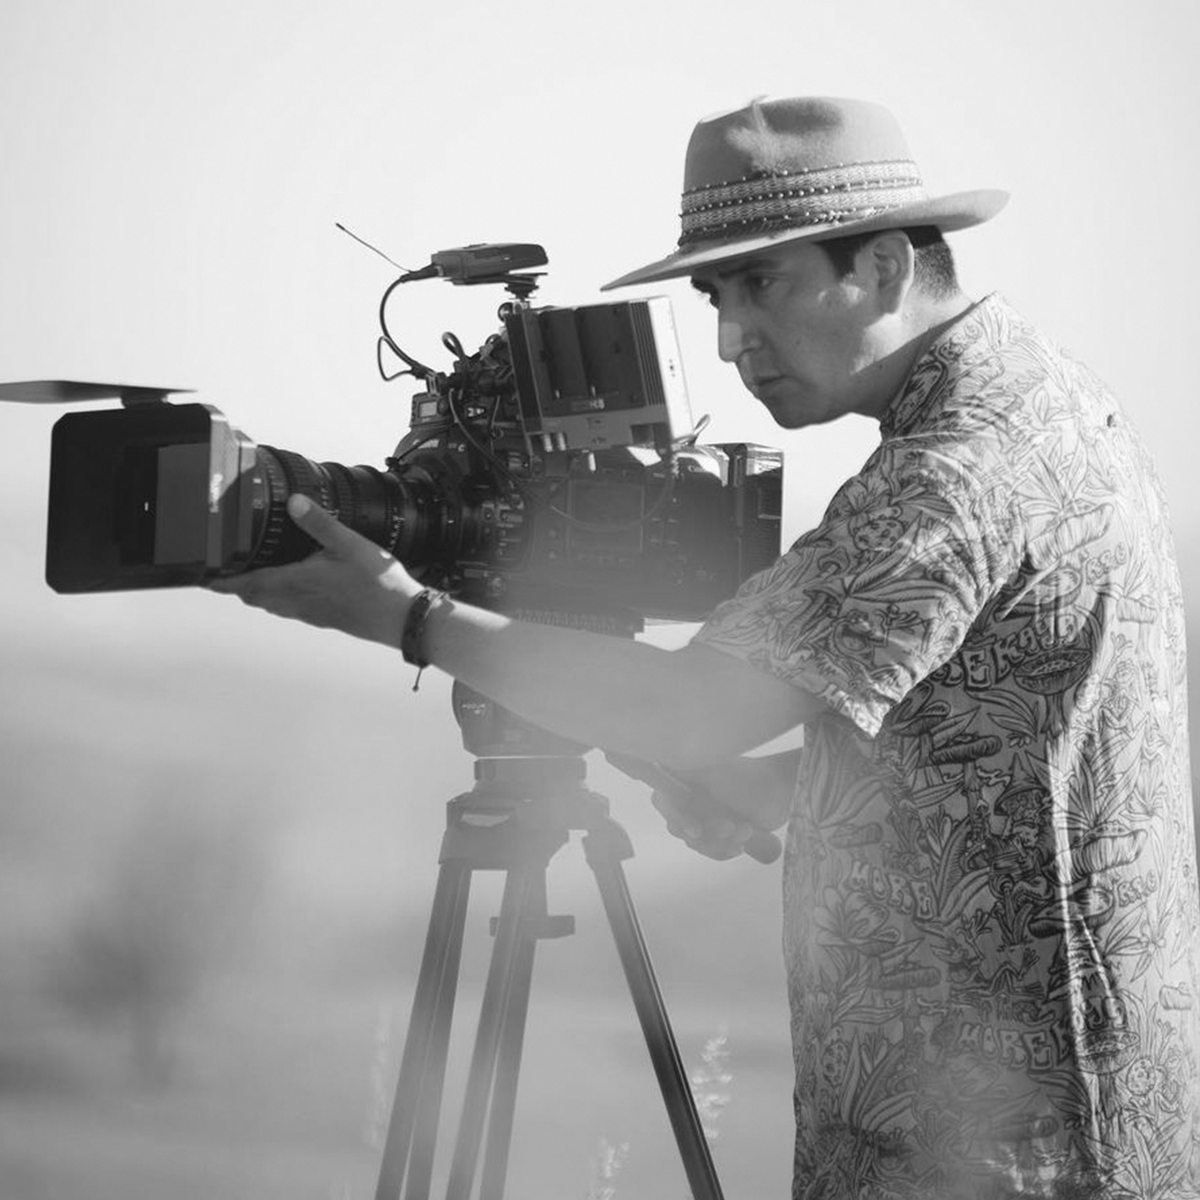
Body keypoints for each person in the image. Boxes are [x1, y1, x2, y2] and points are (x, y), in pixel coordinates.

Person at [210, 97, 1200, 1199]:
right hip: (1075, 1115)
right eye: (716, 297)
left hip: (997, 1146)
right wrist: (789, 787)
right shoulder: (1049, 402)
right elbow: (1021, 734)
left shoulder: (950, 471)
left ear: (881, 265)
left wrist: (403, 615)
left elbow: (691, 714)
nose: (732, 340)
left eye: (762, 284)